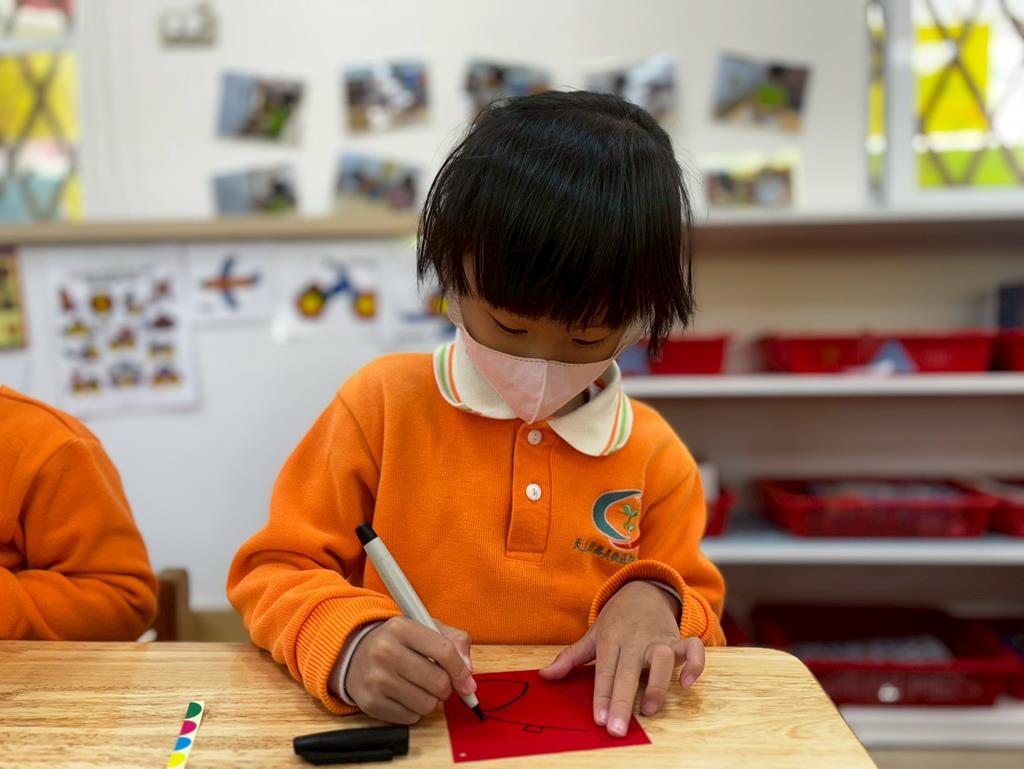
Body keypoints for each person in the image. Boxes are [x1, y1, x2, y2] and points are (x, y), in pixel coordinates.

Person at [228, 90, 725, 738]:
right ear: (451, 276)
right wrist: (350, 644)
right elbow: (274, 570)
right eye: (509, 326)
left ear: (641, 318)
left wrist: (657, 601)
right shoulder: (382, 407)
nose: (540, 363)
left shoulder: (655, 454)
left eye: (586, 338)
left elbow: (700, 612)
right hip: (412, 738)